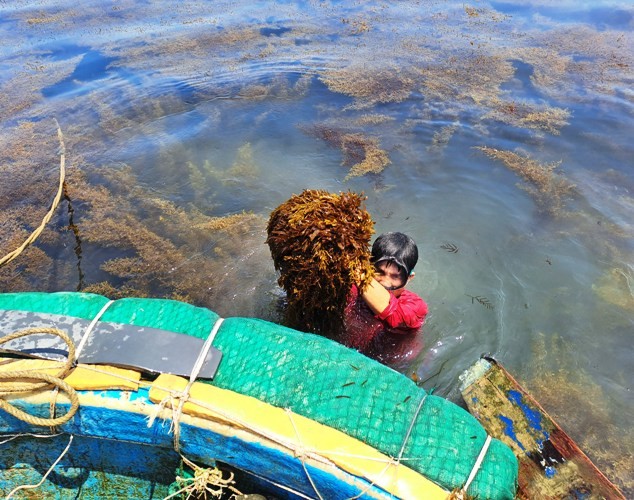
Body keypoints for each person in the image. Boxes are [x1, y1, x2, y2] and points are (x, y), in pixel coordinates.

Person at [342, 232, 428, 367]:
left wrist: (360, 274)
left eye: (395, 276)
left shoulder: (416, 306)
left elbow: (394, 316)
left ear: (409, 278)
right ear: (369, 268)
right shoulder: (354, 288)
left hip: (391, 365)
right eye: (380, 272)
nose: (386, 283)